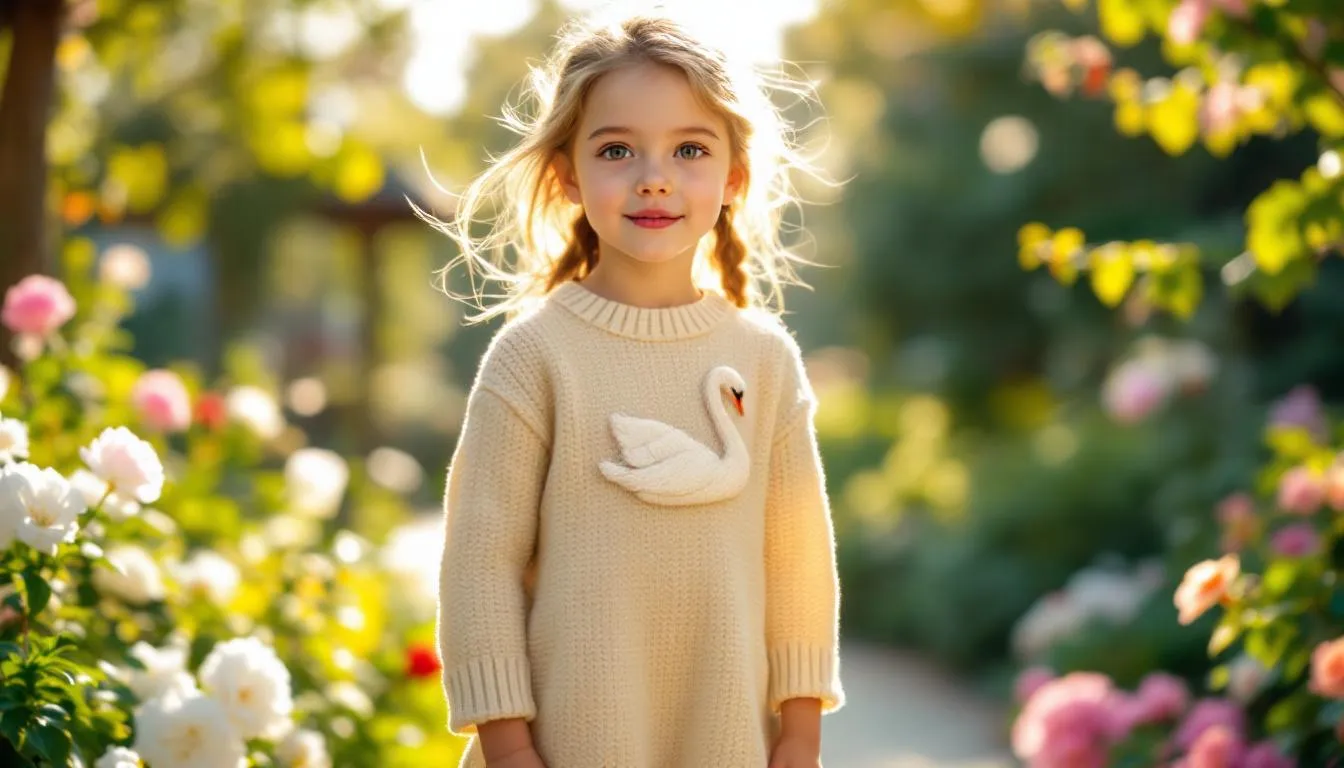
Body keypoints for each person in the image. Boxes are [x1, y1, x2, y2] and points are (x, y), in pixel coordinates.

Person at [431, 6, 845, 767]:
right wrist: (507, 742)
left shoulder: (764, 363)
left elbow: (799, 563)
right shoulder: (533, 358)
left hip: (726, 743)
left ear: (734, 176)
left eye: (689, 148)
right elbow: (479, 563)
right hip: (567, 746)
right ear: (567, 176)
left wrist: (801, 730)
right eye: (618, 149)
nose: (654, 178)